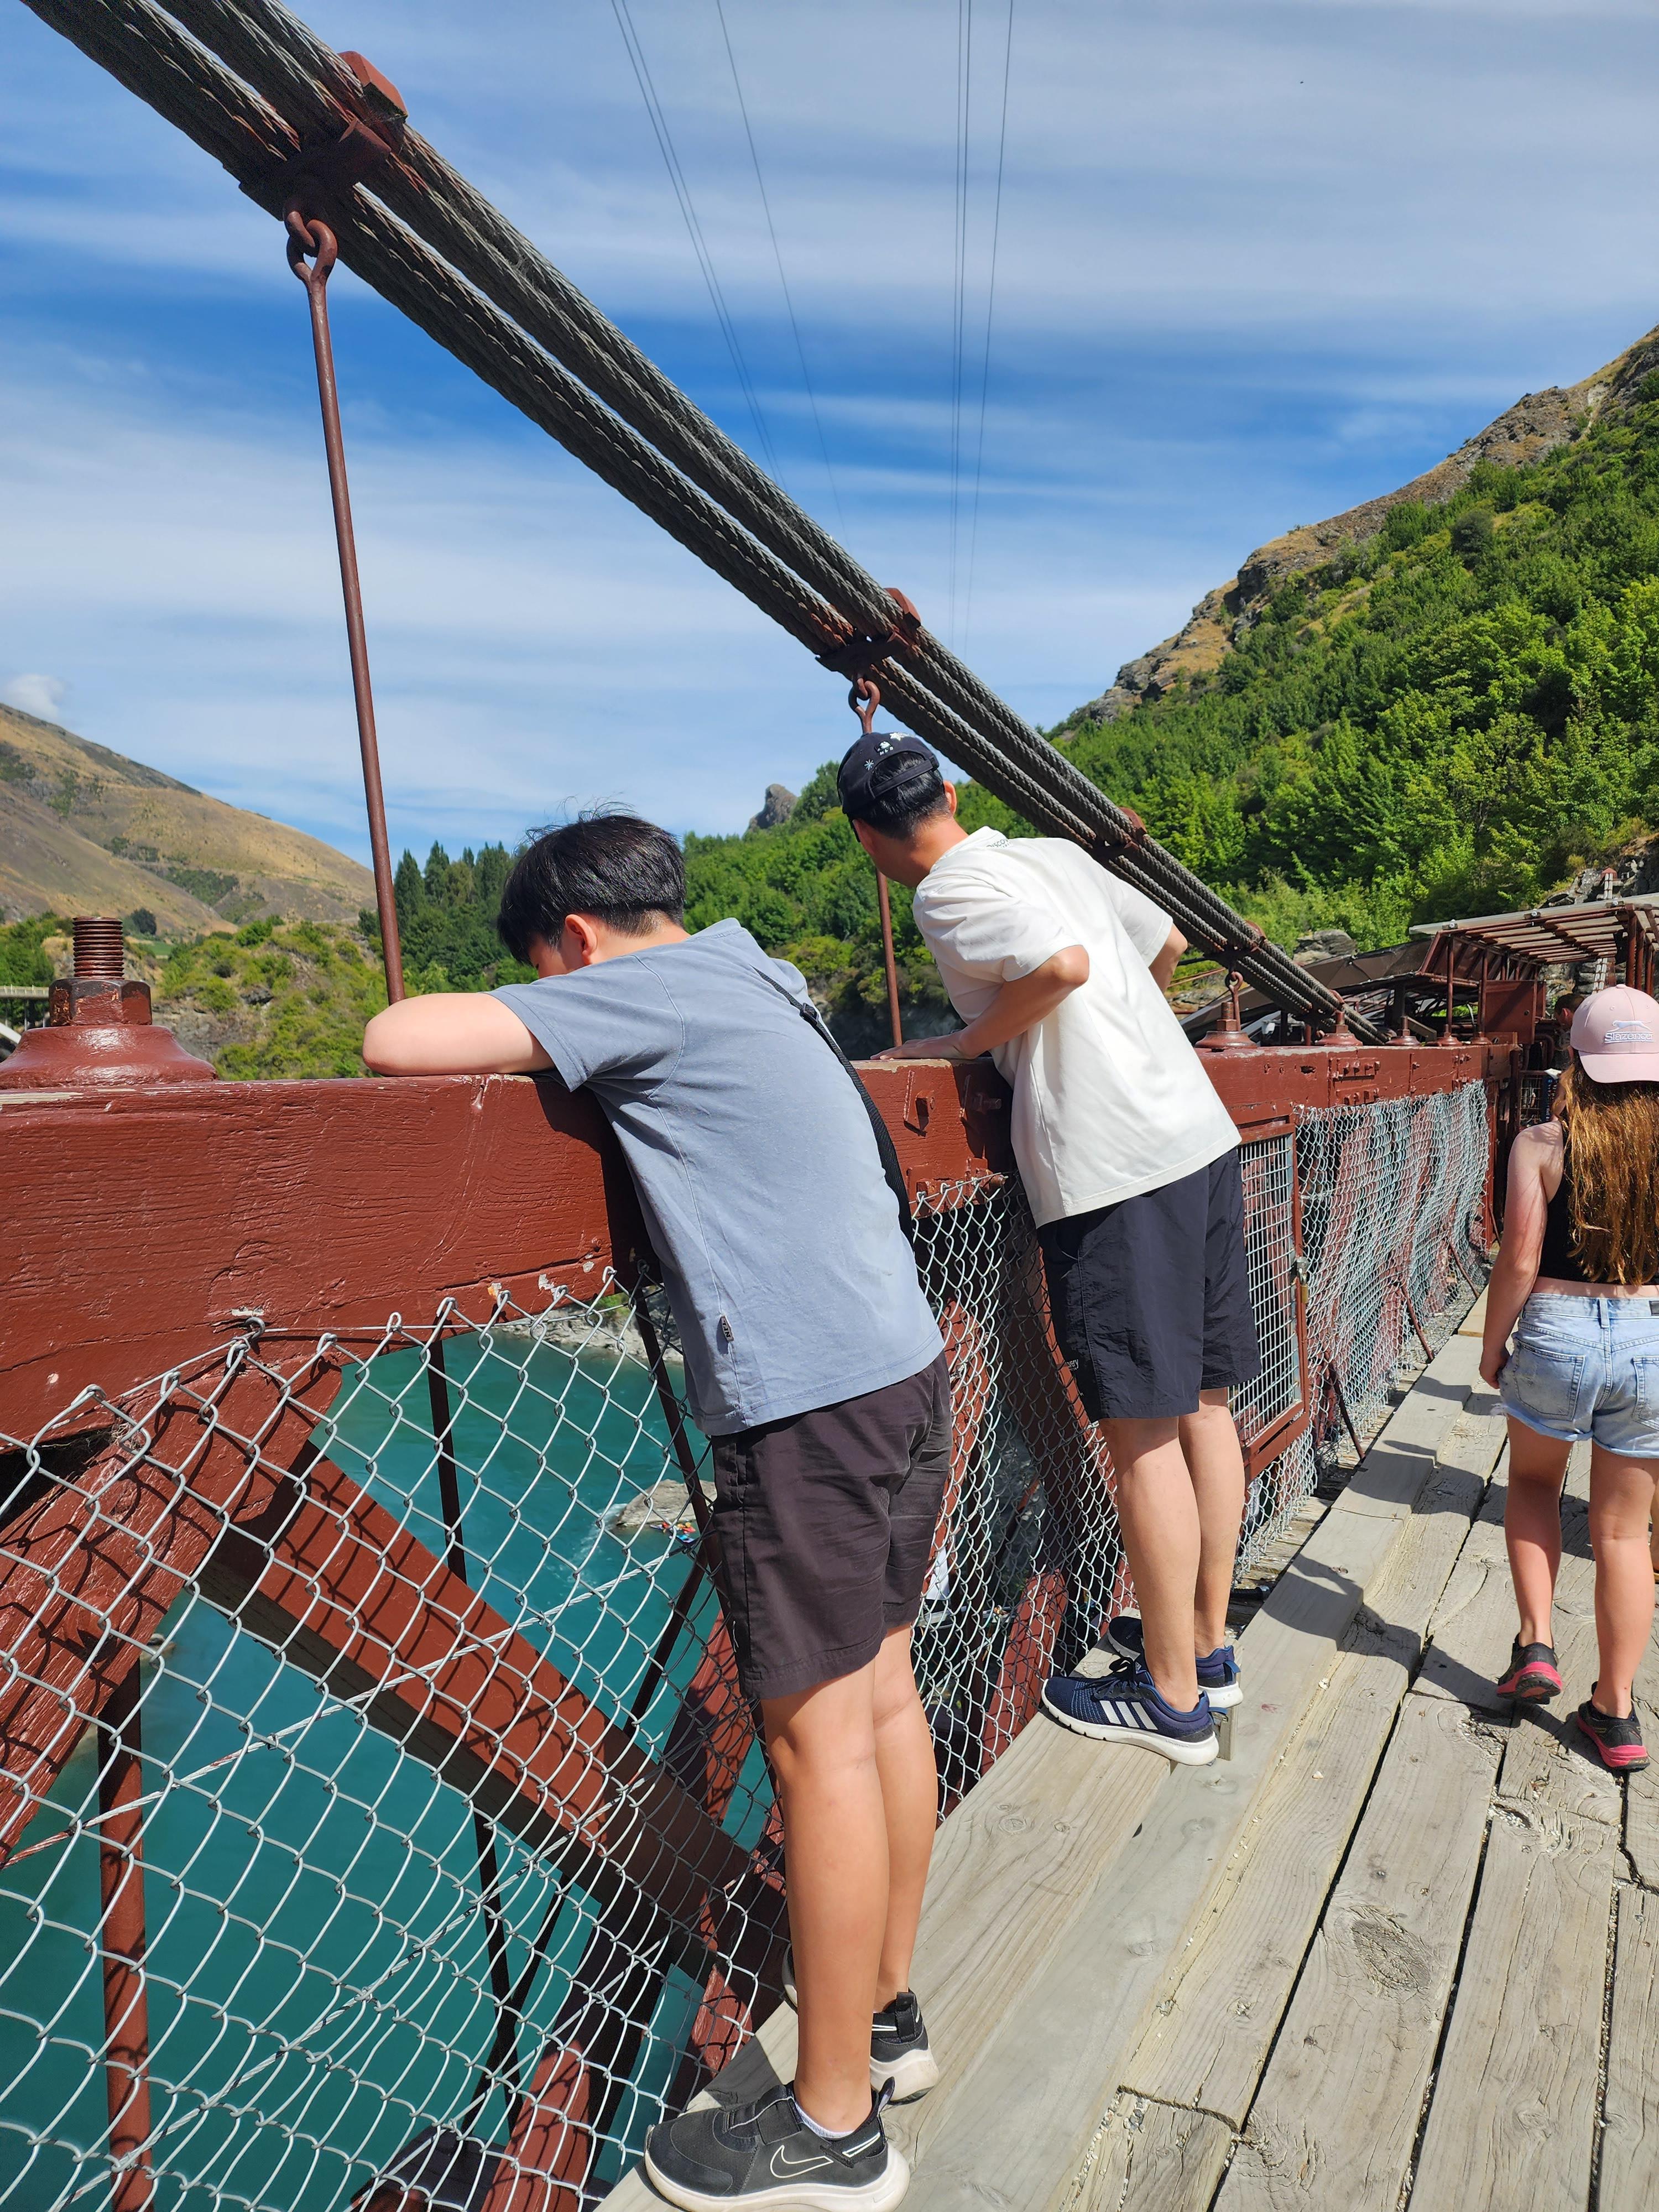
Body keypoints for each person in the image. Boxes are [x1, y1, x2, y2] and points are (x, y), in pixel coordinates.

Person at [363, 812, 947, 2212]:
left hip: (803, 1404)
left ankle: (836, 2128)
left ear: (574, 940)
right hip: (902, 1370)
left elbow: (396, 1039)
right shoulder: (760, 976)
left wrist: (551, 1014)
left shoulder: (635, 987)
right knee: (882, 1704)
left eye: (547, 973)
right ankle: (882, 2020)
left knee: (819, 1758)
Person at [837, 733, 1259, 1767]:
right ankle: (1204, 1648)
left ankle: (1169, 1701)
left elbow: (1060, 968)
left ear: (865, 837)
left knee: (1141, 1436)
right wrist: (1129, 1032)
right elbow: (1160, 947)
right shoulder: (1056, 854)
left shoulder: (943, 891)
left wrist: (964, 1044)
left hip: (1113, 1168)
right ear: (950, 788)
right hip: (1195, 1135)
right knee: (1207, 1405)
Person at [1480, 984, 1659, 1775]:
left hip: (1557, 1332)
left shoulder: (1540, 1143)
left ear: (1575, 1063)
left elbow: (1519, 1258)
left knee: (1531, 1489)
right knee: (1625, 1534)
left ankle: (1537, 1647)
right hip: (1653, 1335)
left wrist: (1493, 1347)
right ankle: (1616, 1717)